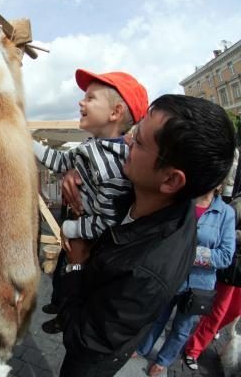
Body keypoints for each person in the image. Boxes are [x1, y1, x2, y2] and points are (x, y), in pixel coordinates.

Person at [57, 94, 235, 377]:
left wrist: (76, 265)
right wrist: (75, 171)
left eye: (139, 142)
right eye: (134, 132)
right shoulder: (155, 193)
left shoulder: (145, 273)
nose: (126, 142)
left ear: (171, 179)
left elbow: (84, 340)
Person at [34, 69, 149, 333]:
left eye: (90, 98)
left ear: (115, 113)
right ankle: (63, 311)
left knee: (78, 287)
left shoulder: (114, 166)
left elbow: (108, 221)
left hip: (96, 245)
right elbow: (60, 161)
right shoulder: (93, 146)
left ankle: (68, 319)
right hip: (84, 230)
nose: (81, 102)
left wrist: (72, 229)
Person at [134, 188, 235, 376]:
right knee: (156, 316)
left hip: (200, 285)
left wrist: (190, 253)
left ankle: (163, 360)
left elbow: (226, 256)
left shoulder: (225, 213)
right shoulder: (183, 202)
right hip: (171, 274)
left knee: (182, 327)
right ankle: (142, 348)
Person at [184, 196, 241, 371]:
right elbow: (225, 232)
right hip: (233, 269)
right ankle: (193, 349)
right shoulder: (238, 205)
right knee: (217, 312)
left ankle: (209, 330)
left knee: (234, 312)